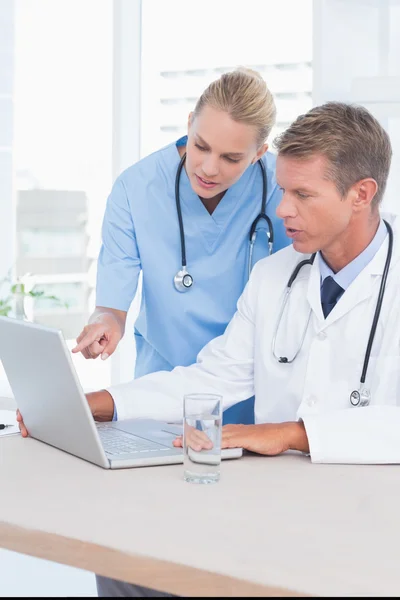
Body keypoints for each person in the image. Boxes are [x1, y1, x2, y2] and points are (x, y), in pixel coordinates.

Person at [18, 101, 399, 597]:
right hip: (274, 508)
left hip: (371, 521)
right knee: (124, 564)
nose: (283, 209)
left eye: (303, 194)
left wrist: (290, 434)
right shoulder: (274, 276)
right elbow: (210, 379)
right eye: (283, 190)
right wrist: (97, 406)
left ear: (361, 195)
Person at [71, 67, 290, 427]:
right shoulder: (136, 188)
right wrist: (104, 324)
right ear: (189, 123)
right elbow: (112, 307)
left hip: (253, 391)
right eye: (200, 145)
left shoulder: (282, 190)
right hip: (161, 389)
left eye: (231, 158)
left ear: (259, 153)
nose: (207, 168)